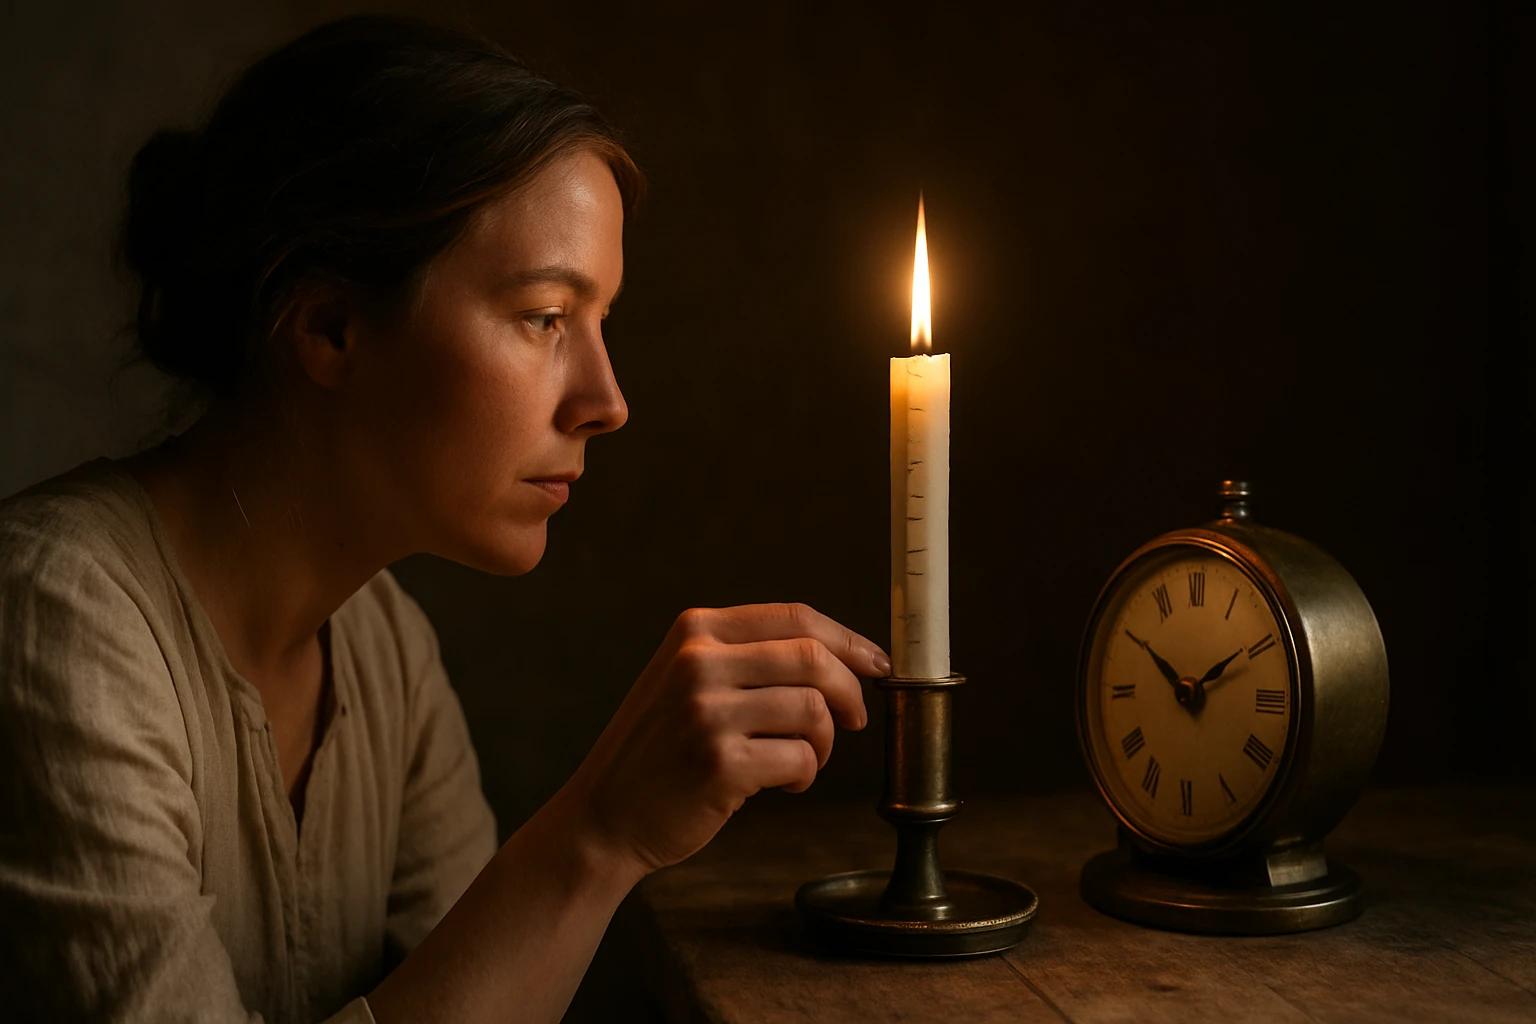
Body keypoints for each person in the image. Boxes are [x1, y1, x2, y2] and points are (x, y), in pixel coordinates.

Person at [0, 14, 889, 1023]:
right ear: (331, 328)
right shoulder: (52, 624)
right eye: (546, 317)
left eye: (603, 322)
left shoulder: (385, 653)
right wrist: (596, 835)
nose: (608, 397)